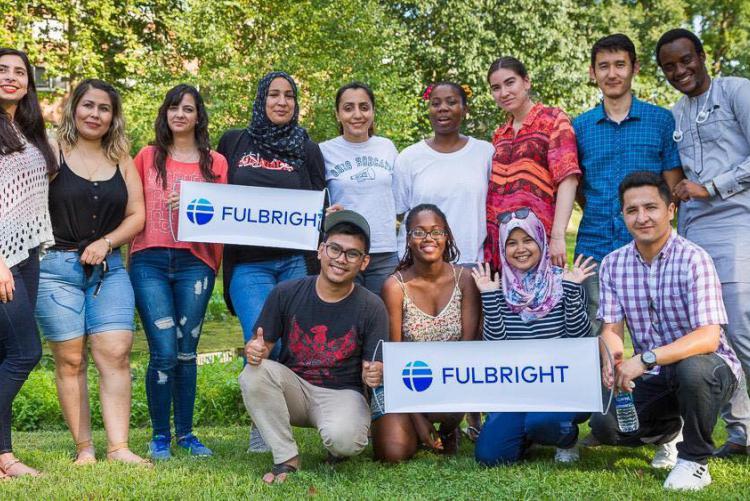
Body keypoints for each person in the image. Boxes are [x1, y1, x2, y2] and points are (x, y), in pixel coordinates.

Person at [590, 172, 740, 491]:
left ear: (670, 210)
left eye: (651, 207)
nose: (642, 217)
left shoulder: (694, 259)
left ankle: (695, 461)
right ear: (623, 215)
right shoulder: (613, 264)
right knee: (606, 425)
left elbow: (708, 337)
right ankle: (671, 431)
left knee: (693, 370)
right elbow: (612, 328)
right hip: (656, 375)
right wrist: (614, 362)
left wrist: (644, 359)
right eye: (632, 210)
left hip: (709, 368)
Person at [34, 79, 148, 466]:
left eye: (104, 108)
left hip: (109, 270)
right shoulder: (50, 151)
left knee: (115, 353)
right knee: (70, 360)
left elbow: (138, 215)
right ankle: (85, 449)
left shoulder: (121, 156)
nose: (94, 114)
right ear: (73, 108)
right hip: (55, 269)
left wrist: (108, 242)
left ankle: (119, 448)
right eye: (88, 105)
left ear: (113, 117)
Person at [217, 71, 325, 451]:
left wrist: (329, 212)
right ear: (262, 100)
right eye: (274, 95)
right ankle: (262, 426)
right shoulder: (234, 141)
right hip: (249, 265)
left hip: (295, 263)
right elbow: (214, 191)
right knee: (261, 340)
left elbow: (319, 198)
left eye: (289, 96)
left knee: (292, 344)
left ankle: (279, 422)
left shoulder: (307, 147)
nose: (282, 102)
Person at [237, 210, 386, 484]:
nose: (341, 259)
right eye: (335, 249)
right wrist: (255, 350)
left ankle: (336, 446)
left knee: (345, 441)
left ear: (364, 262)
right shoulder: (286, 292)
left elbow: (373, 367)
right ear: (320, 251)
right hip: (295, 389)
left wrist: (374, 373)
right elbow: (262, 346)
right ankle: (286, 458)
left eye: (352, 254)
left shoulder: (372, 306)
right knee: (253, 374)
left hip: (342, 393)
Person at [656, 28, 750, 459]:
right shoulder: (675, 113)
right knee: (707, 330)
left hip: (735, 221)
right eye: (670, 67)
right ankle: (741, 431)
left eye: (685, 60)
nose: (680, 71)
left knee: (739, 327)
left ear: (702, 55)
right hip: (693, 230)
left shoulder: (736, 92)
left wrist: (712, 185)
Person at [130, 84, 228, 460]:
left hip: (195, 263)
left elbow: (224, 216)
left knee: (187, 350)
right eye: (173, 108)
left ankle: (186, 434)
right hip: (149, 259)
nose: (180, 115)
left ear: (198, 115)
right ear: (165, 114)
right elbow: (131, 208)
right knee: (163, 351)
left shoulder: (215, 162)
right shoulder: (146, 157)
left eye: (188, 108)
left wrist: (191, 203)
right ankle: (159, 437)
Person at [573, 34, 683, 335]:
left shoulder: (661, 120)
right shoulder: (578, 127)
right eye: (604, 66)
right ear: (592, 72)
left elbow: (673, 185)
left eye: (620, 64)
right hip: (594, 246)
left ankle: (655, 383)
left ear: (634, 68)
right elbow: (579, 188)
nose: (612, 73)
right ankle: (607, 385)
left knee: (663, 330)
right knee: (595, 334)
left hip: (653, 246)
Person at [471, 208, 593, 465]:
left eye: (527, 240)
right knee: (490, 456)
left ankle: (566, 438)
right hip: (518, 390)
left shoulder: (564, 281)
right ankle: (527, 433)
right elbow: (496, 349)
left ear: (540, 240)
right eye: (511, 243)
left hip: (562, 386)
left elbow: (580, 341)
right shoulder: (498, 287)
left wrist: (571, 292)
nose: (520, 249)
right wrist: (490, 298)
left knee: (541, 421)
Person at [372, 204, 480, 462]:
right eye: (419, 232)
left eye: (436, 231)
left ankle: (450, 425)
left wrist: (460, 408)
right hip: (406, 381)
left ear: (447, 237)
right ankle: (412, 425)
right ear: (408, 239)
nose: (428, 238)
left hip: (452, 380)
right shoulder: (395, 286)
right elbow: (393, 359)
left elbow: (469, 351)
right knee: (393, 452)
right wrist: (417, 419)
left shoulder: (465, 279)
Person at [0, 48, 57, 478]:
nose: (11, 77)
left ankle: (3, 457)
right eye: (2, 69)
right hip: (2, 260)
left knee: (5, 353)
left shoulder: (32, 134)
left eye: (20, 72)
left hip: (28, 254)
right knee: (25, 352)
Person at [485, 57, 581, 270]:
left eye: (510, 83)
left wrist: (557, 237)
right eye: (496, 88)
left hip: (537, 240)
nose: (504, 92)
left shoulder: (553, 120)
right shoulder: (499, 134)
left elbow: (568, 179)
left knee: (541, 302)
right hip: (501, 241)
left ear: (526, 82)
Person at [393, 82, 494, 266]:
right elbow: (398, 212)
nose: (443, 108)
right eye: (436, 103)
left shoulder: (485, 153)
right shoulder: (409, 157)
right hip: (420, 264)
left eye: (451, 102)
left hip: (470, 262)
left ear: (465, 109)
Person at [320, 82, 399, 295]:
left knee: (382, 321)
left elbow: (399, 200)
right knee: (345, 320)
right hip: (343, 252)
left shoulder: (387, 147)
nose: (357, 114)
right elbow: (317, 203)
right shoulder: (324, 151)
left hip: (383, 251)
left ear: (373, 111)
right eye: (348, 108)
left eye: (364, 107)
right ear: (337, 114)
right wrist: (325, 213)